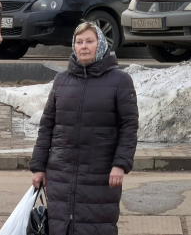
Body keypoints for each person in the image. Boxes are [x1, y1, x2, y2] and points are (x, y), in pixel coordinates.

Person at [30, 22, 139, 234]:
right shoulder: (62, 81)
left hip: (100, 174)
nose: (84, 46)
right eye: (79, 42)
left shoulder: (120, 81)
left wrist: (120, 164)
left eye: (90, 41)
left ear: (100, 45)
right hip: (60, 174)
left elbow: (129, 127)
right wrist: (38, 166)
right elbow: (47, 126)